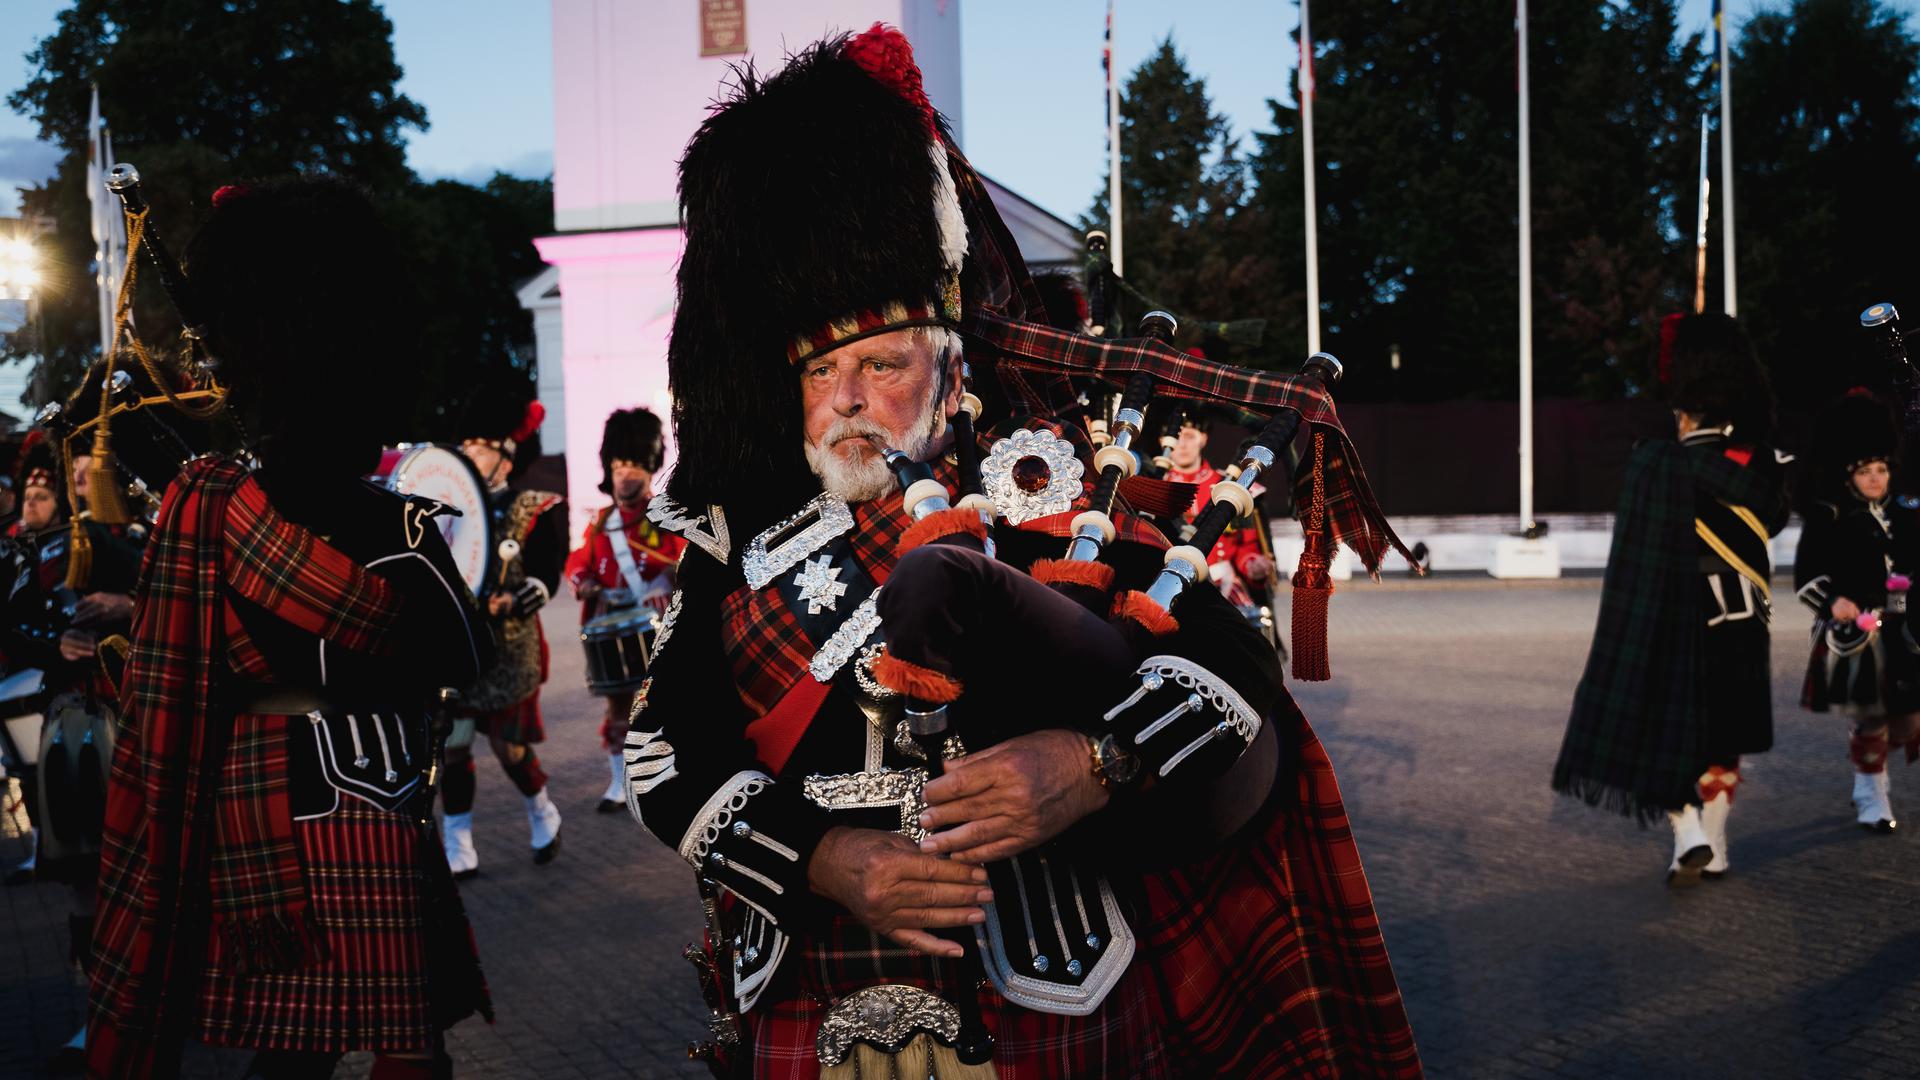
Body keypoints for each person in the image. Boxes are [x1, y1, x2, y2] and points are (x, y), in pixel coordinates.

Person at [624, 25, 1420, 1078]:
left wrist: (1096, 765)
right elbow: (664, 758)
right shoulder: (732, 549)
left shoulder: (1045, 502)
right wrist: (825, 858)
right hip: (814, 989)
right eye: (824, 372)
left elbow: (1232, 672)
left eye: (883, 361)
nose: (853, 397)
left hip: (1053, 990)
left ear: (951, 373)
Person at [85, 178, 491, 1079]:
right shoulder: (396, 528)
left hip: (249, 805)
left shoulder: (204, 510)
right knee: (409, 1047)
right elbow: (469, 659)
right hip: (369, 793)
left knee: (288, 1055)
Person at [1554, 313, 1790, 886]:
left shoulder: (1656, 462)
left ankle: (1692, 832)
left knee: (1663, 731)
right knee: (1724, 739)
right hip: (1741, 620)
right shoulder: (1757, 463)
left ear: (1682, 409)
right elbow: (1775, 516)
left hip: (1672, 616)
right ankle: (1709, 836)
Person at [440, 388, 566, 874]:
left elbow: (546, 575)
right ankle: (459, 842)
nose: (469, 451)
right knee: (452, 749)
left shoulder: (536, 506)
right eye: (465, 442)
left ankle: (542, 810)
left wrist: (515, 598)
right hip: (456, 647)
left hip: (509, 648)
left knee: (508, 748)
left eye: (482, 443)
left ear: (507, 455)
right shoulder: (442, 507)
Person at [1793, 390, 1920, 830]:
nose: (1875, 478)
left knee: (1907, 720)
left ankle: (1874, 783)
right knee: (1872, 717)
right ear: (1849, 476)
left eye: (1882, 470)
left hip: (1908, 630)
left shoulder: (1905, 513)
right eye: (1865, 471)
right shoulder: (1830, 516)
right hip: (1858, 635)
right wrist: (1834, 602)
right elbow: (1806, 578)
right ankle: (1871, 794)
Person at [562, 407, 684, 812]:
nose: (624, 475)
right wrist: (583, 582)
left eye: (633, 465)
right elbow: (579, 560)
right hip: (615, 627)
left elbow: (684, 559)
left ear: (649, 469)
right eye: (618, 465)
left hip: (661, 629)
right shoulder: (601, 522)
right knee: (617, 708)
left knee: (664, 704)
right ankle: (619, 780)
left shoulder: (664, 515)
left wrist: (666, 580)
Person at [1161, 409, 1276, 606]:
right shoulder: (1154, 488)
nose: (1182, 444)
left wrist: (1253, 566)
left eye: (1189, 436)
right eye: (1175, 436)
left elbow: (1246, 547)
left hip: (1225, 588)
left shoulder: (1233, 487)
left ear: (1203, 439)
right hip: (1169, 586)